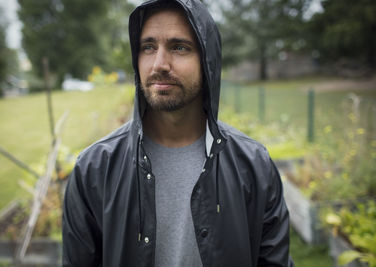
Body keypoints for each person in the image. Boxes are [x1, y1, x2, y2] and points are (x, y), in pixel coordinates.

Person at [62, 0, 294, 266]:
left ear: (207, 60)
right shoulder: (94, 170)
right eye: (148, 47)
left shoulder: (253, 165)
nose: (159, 63)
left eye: (179, 47)